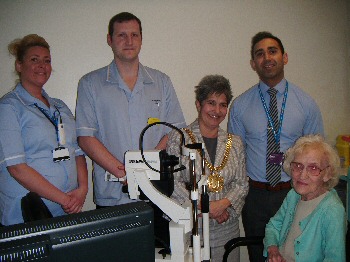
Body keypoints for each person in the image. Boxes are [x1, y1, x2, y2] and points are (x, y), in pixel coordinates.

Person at [227, 31, 324, 261]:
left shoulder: (306, 104)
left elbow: (319, 155)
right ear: (253, 63)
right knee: (258, 254)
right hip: (255, 196)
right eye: (260, 54)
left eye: (273, 51)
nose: (267, 57)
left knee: (295, 254)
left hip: (295, 192)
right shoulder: (240, 106)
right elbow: (235, 158)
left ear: (285, 57)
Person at [75, 12, 185, 207]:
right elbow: (86, 137)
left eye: (134, 35)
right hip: (112, 193)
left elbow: (174, 131)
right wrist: (125, 172)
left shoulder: (161, 82)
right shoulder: (90, 84)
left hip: (156, 190)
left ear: (141, 39)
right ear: (110, 40)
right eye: (121, 35)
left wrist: (145, 167)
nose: (129, 41)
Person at [0, 34, 88, 226]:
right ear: (19, 65)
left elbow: (78, 151)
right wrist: (65, 199)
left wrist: (82, 189)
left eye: (46, 61)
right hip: (29, 212)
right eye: (34, 60)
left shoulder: (60, 107)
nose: (42, 65)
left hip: (65, 209)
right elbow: (17, 168)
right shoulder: (9, 107)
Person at [167, 75, 249, 262]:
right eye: (211, 103)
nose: (217, 110)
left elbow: (242, 184)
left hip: (226, 228)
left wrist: (223, 205)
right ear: (198, 104)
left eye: (222, 104)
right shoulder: (178, 138)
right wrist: (205, 207)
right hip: (193, 228)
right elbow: (173, 183)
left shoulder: (234, 142)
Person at [264, 134, 346, 261]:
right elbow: (273, 226)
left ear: (327, 174)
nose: (302, 175)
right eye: (298, 166)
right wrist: (273, 249)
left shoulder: (332, 210)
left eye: (313, 168)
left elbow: (335, 259)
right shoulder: (294, 195)